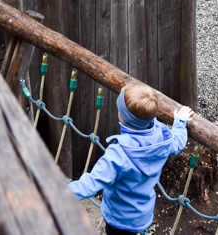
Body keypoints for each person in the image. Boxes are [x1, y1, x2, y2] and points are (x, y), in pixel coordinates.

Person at [69, 82, 195, 235]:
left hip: (118, 220)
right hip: (142, 217)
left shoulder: (118, 153)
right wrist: (180, 122)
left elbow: (91, 183)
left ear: (121, 117)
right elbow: (177, 143)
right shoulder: (161, 138)